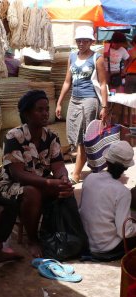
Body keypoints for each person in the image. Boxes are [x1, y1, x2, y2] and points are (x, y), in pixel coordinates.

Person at [0, 90, 74, 257]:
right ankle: (32, 239)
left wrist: (63, 178)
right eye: (40, 110)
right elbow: (18, 174)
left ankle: (60, 233)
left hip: (40, 183)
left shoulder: (52, 136)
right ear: (27, 113)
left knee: (65, 188)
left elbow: (59, 165)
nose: (45, 113)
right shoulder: (14, 136)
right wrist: (47, 183)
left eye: (47, 109)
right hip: (11, 186)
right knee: (32, 192)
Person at [56, 26, 108, 185]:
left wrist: (104, 106)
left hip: (90, 100)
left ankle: (76, 174)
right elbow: (67, 81)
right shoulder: (72, 57)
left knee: (83, 138)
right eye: (79, 40)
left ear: (91, 42)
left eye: (85, 40)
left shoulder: (97, 58)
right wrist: (59, 102)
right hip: (74, 100)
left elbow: (103, 83)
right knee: (73, 134)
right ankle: (89, 163)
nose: (81, 43)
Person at [79, 141, 136, 260]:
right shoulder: (122, 192)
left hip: (86, 243)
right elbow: (124, 232)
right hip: (107, 249)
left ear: (107, 161)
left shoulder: (90, 178)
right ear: (126, 167)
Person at [124, 35, 136, 125]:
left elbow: (125, 65)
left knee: (128, 98)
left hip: (130, 77)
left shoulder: (130, 52)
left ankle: (128, 120)